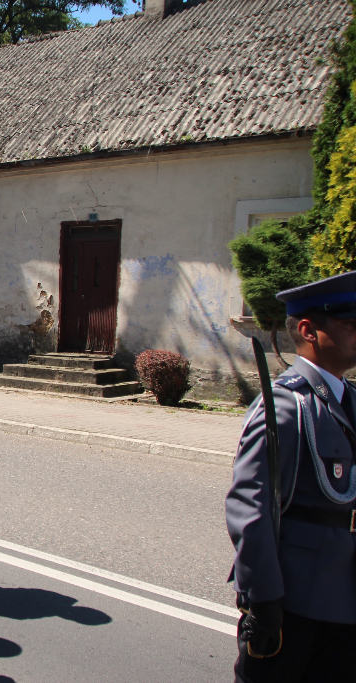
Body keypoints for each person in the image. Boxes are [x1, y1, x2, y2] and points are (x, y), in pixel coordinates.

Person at [227, 271, 356, 682]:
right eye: (350, 325)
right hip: (298, 603)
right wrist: (263, 599)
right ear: (308, 330)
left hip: (346, 599)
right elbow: (250, 507)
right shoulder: (285, 407)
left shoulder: (350, 399)